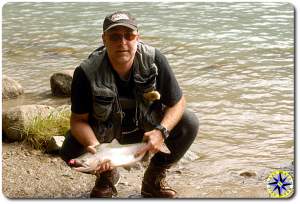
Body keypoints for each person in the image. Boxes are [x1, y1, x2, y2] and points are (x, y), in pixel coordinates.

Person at [60, 11, 199, 198]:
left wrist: (161, 132)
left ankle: (153, 178)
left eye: (129, 35)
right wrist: (98, 149)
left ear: (137, 37)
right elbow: (78, 121)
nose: (122, 42)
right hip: (106, 135)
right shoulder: (86, 72)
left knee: (189, 122)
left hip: (146, 130)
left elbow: (178, 103)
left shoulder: (155, 60)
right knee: (70, 151)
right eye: (115, 36)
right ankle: (106, 175)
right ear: (104, 39)